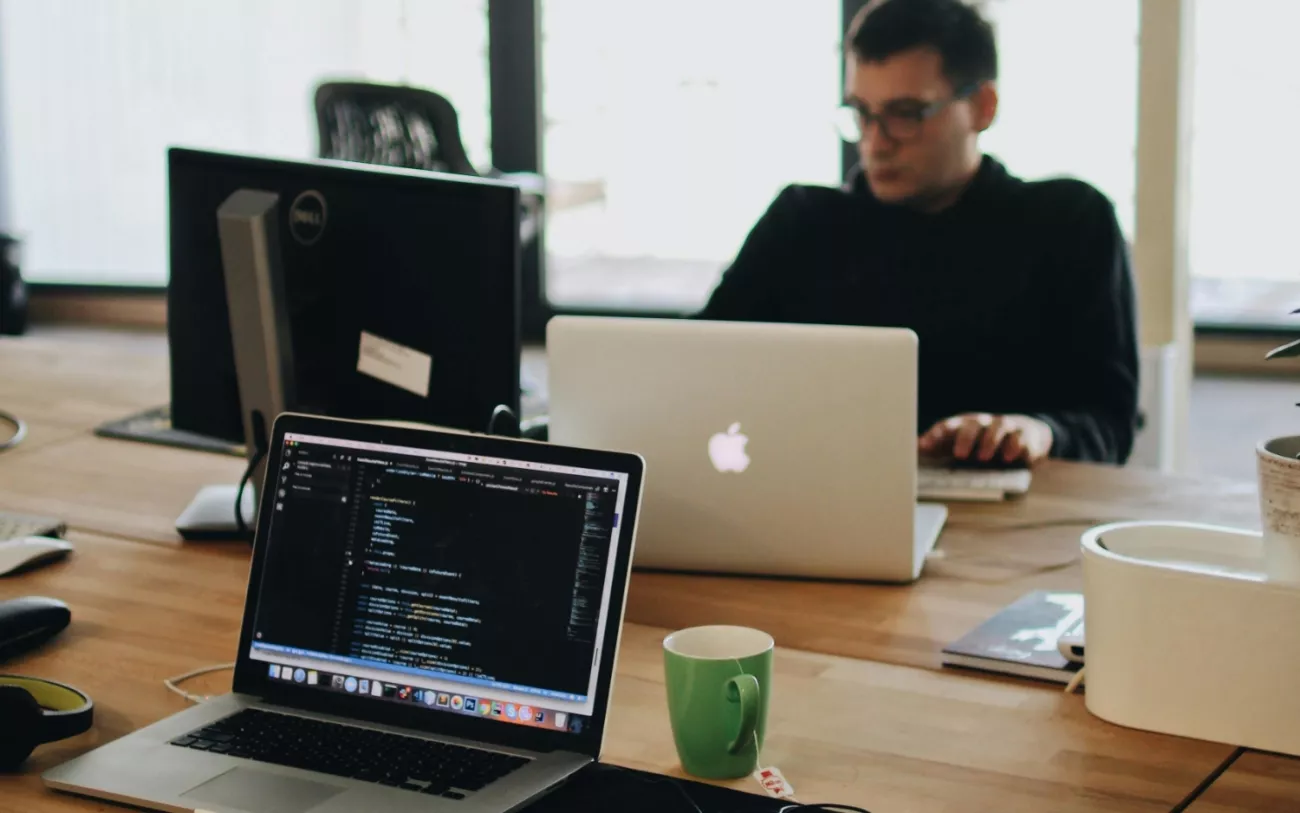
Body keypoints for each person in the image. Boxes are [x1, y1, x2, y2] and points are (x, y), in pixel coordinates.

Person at [698, 0, 1139, 466]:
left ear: (982, 107)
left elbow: (1108, 424)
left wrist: (1038, 432)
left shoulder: (1068, 222)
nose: (875, 142)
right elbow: (697, 365)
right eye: (861, 112)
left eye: (905, 114)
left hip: (1015, 504)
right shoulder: (800, 222)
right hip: (819, 493)